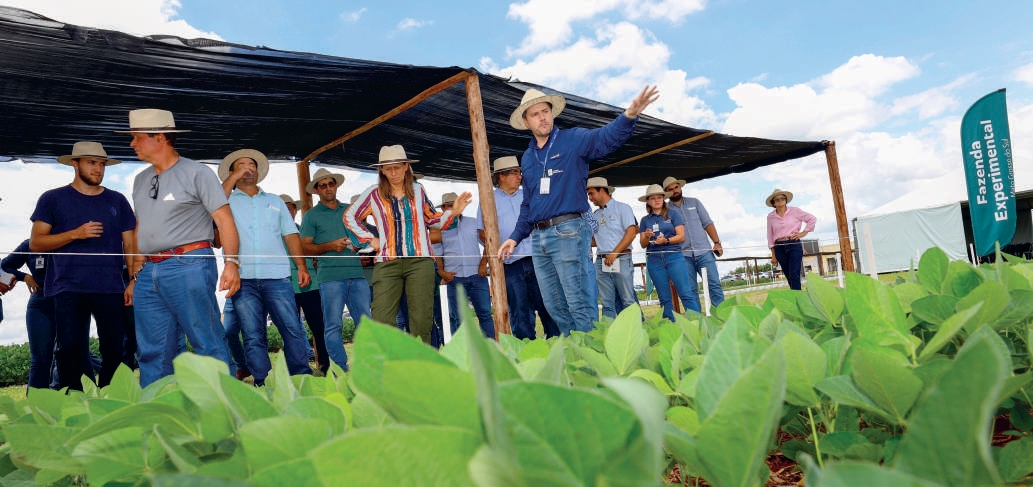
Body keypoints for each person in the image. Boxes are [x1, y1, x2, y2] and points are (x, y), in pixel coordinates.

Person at [497, 85, 659, 334]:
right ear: (526, 121)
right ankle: (575, 353)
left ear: (552, 114)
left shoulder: (572, 139)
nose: (543, 117)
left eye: (546, 111)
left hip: (569, 229)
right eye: (535, 114)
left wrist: (629, 116)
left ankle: (592, 358)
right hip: (538, 237)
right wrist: (514, 238)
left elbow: (604, 139)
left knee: (578, 301)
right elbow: (528, 204)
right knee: (554, 305)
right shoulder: (528, 158)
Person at [122, 109, 239, 387]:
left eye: (137, 138)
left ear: (159, 137)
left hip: (190, 263)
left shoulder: (197, 172)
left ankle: (227, 409)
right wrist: (135, 276)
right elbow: (140, 228)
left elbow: (224, 220)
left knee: (206, 341)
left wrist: (232, 262)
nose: (132, 143)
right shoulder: (139, 180)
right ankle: (160, 413)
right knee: (152, 350)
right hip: (149, 272)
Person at [29, 141, 133, 390]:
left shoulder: (118, 200)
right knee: (69, 350)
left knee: (115, 350)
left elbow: (131, 245)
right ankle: (73, 404)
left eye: (102, 164)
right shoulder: (52, 199)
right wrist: (74, 234)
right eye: (91, 163)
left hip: (111, 286)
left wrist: (134, 280)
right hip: (67, 287)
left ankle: (111, 402)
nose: (98, 169)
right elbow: (36, 242)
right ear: (75, 164)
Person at [344, 145, 470, 345]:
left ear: (405, 167)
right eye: (388, 168)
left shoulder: (418, 190)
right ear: (382, 171)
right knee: (382, 318)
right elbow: (350, 217)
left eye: (397, 167)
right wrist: (370, 240)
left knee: (421, 319)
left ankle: (421, 367)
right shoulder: (373, 194)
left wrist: (453, 212)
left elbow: (432, 219)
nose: (393, 173)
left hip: (420, 262)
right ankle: (391, 367)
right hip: (387, 262)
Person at [219, 149, 313, 385]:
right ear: (232, 173)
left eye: (252, 165)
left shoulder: (275, 201)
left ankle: (301, 377)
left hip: (278, 277)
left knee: (291, 328)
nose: (248, 168)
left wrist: (301, 266)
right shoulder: (225, 201)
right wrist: (232, 178)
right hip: (243, 278)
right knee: (252, 335)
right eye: (241, 165)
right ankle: (263, 381)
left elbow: (291, 234)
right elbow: (213, 200)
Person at [477, 156, 558, 340]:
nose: (520, 176)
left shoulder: (529, 196)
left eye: (519, 172)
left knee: (548, 304)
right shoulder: (488, 200)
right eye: (514, 173)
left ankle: (557, 345)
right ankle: (525, 352)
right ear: (501, 176)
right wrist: (500, 247)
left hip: (538, 258)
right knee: (519, 309)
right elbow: (481, 233)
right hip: (510, 263)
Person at [300, 168, 369, 370]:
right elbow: (304, 247)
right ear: (316, 190)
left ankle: (368, 366)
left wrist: (358, 245)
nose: (328, 188)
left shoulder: (350, 211)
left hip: (357, 275)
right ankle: (339, 369)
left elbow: (363, 239)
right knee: (333, 325)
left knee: (366, 325)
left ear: (336, 186)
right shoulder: (311, 216)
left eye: (331, 184)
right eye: (323, 185)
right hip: (330, 277)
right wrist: (330, 246)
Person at [281, 193, 328, 374]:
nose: (287, 210)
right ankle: (295, 369)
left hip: (311, 284)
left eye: (290, 206)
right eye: (283, 207)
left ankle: (325, 364)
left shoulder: (304, 231)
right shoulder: (273, 235)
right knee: (290, 329)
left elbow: (317, 250)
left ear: (295, 210)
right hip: (285, 286)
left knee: (319, 326)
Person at [437, 192, 495, 338]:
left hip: (477, 275)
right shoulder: (440, 228)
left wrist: (483, 264)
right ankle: (463, 352)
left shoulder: (474, 222)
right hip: (454, 278)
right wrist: (441, 272)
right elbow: (437, 252)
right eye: (448, 206)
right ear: (443, 209)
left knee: (485, 314)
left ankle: (492, 349)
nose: (451, 208)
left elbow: (488, 242)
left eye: (453, 205)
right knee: (460, 318)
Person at [662, 176, 725, 309]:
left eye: (676, 187)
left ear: (680, 187)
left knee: (714, 285)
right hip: (682, 256)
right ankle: (696, 323)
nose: (675, 191)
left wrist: (717, 242)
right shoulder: (665, 210)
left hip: (704, 252)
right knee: (689, 290)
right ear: (667, 193)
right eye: (670, 189)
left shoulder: (695, 202)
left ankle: (722, 319)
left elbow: (707, 223)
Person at [638, 185, 698, 321]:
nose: (657, 200)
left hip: (673, 255)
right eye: (653, 198)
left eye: (659, 197)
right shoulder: (644, 220)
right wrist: (647, 236)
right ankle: (671, 326)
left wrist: (666, 240)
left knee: (685, 293)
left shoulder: (673, 214)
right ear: (648, 201)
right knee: (664, 298)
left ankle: (696, 324)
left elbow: (681, 236)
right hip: (654, 259)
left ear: (663, 199)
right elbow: (642, 244)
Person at [2, 238, 54, 390]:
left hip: (67, 301)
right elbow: (3, 266)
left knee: (73, 354)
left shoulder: (71, 241)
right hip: (40, 301)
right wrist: (24, 277)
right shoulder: (29, 244)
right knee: (40, 360)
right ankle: (34, 408)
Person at [586, 176, 639, 320]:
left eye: (591, 193)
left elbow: (632, 232)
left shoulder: (623, 208)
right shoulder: (595, 215)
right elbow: (595, 241)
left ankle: (635, 334)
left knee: (628, 300)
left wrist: (614, 253)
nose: (590, 198)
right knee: (606, 303)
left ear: (602, 190)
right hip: (601, 260)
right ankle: (609, 335)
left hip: (621, 258)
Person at [765, 188, 816, 290]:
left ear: (786, 199)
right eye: (777, 199)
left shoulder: (795, 211)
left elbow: (812, 219)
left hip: (794, 244)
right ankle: (797, 298)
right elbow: (770, 236)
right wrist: (773, 255)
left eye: (782, 198)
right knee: (789, 276)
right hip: (779, 247)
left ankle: (797, 300)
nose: (780, 200)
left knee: (794, 274)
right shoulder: (770, 217)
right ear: (773, 203)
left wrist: (803, 233)